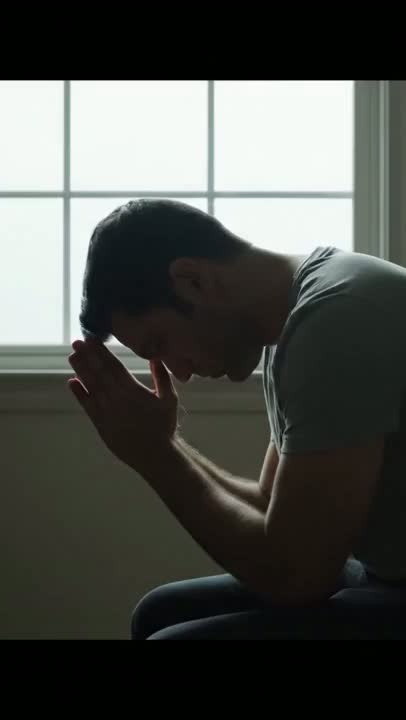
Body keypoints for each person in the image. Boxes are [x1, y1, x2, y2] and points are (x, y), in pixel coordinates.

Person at [68, 199, 406, 640]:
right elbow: (269, 504)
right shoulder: (297, 321)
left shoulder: (337, 320)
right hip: (383, 572)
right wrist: (162, 443)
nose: (179, 372)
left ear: (192, 280)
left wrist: (156, 457)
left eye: (160, 342)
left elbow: (297, 575)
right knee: (157, 612)